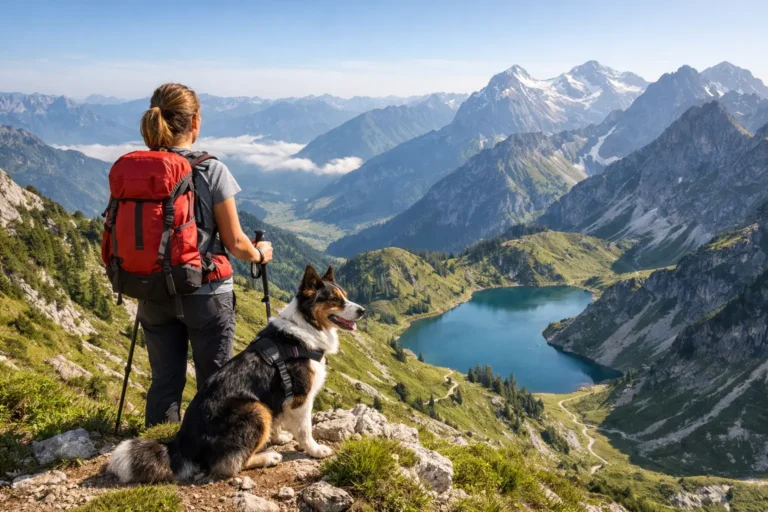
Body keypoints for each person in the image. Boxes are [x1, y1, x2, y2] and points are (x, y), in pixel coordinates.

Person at [137, 83, 273, 427]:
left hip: (152, 289)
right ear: (195, 121)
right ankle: (210, 448)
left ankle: (159, 447)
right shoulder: (210, 170)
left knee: (164, 382)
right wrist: (260, 255)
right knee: (215, 384)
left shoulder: (139, 168)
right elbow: (235, 242)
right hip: (206, 293)